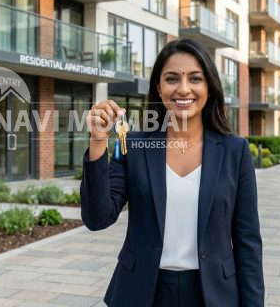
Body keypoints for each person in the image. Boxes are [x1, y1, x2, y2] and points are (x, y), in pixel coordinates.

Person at [81, 38, 265, 307]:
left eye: (195, 78)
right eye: (171, 79)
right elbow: (97, 218)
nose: (183, 89)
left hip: (214, 294)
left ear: (209, 87)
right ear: (158, 87)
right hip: (142, 293)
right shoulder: (133, 145)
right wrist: (98, 142)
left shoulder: (235, 151)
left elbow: (248, 243)